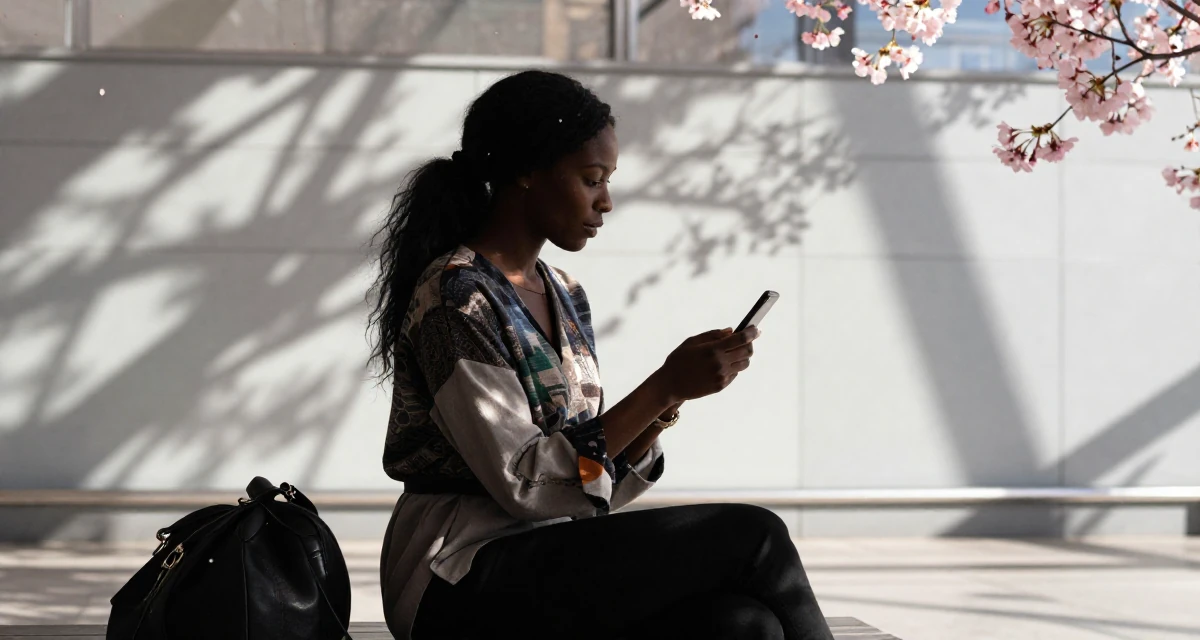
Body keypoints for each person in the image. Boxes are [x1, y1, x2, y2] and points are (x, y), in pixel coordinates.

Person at [368, 69, 834, 640]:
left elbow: (587, 477)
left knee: (742, 625)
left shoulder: (563, 292)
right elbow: (525, 481)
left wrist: (671, 400)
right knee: (754, 535)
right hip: (455, 575)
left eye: (608, 180)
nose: (606, 202)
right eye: (592, 179)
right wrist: (663, 385)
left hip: (548, 553)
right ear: (526, 170)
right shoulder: (456, 297)